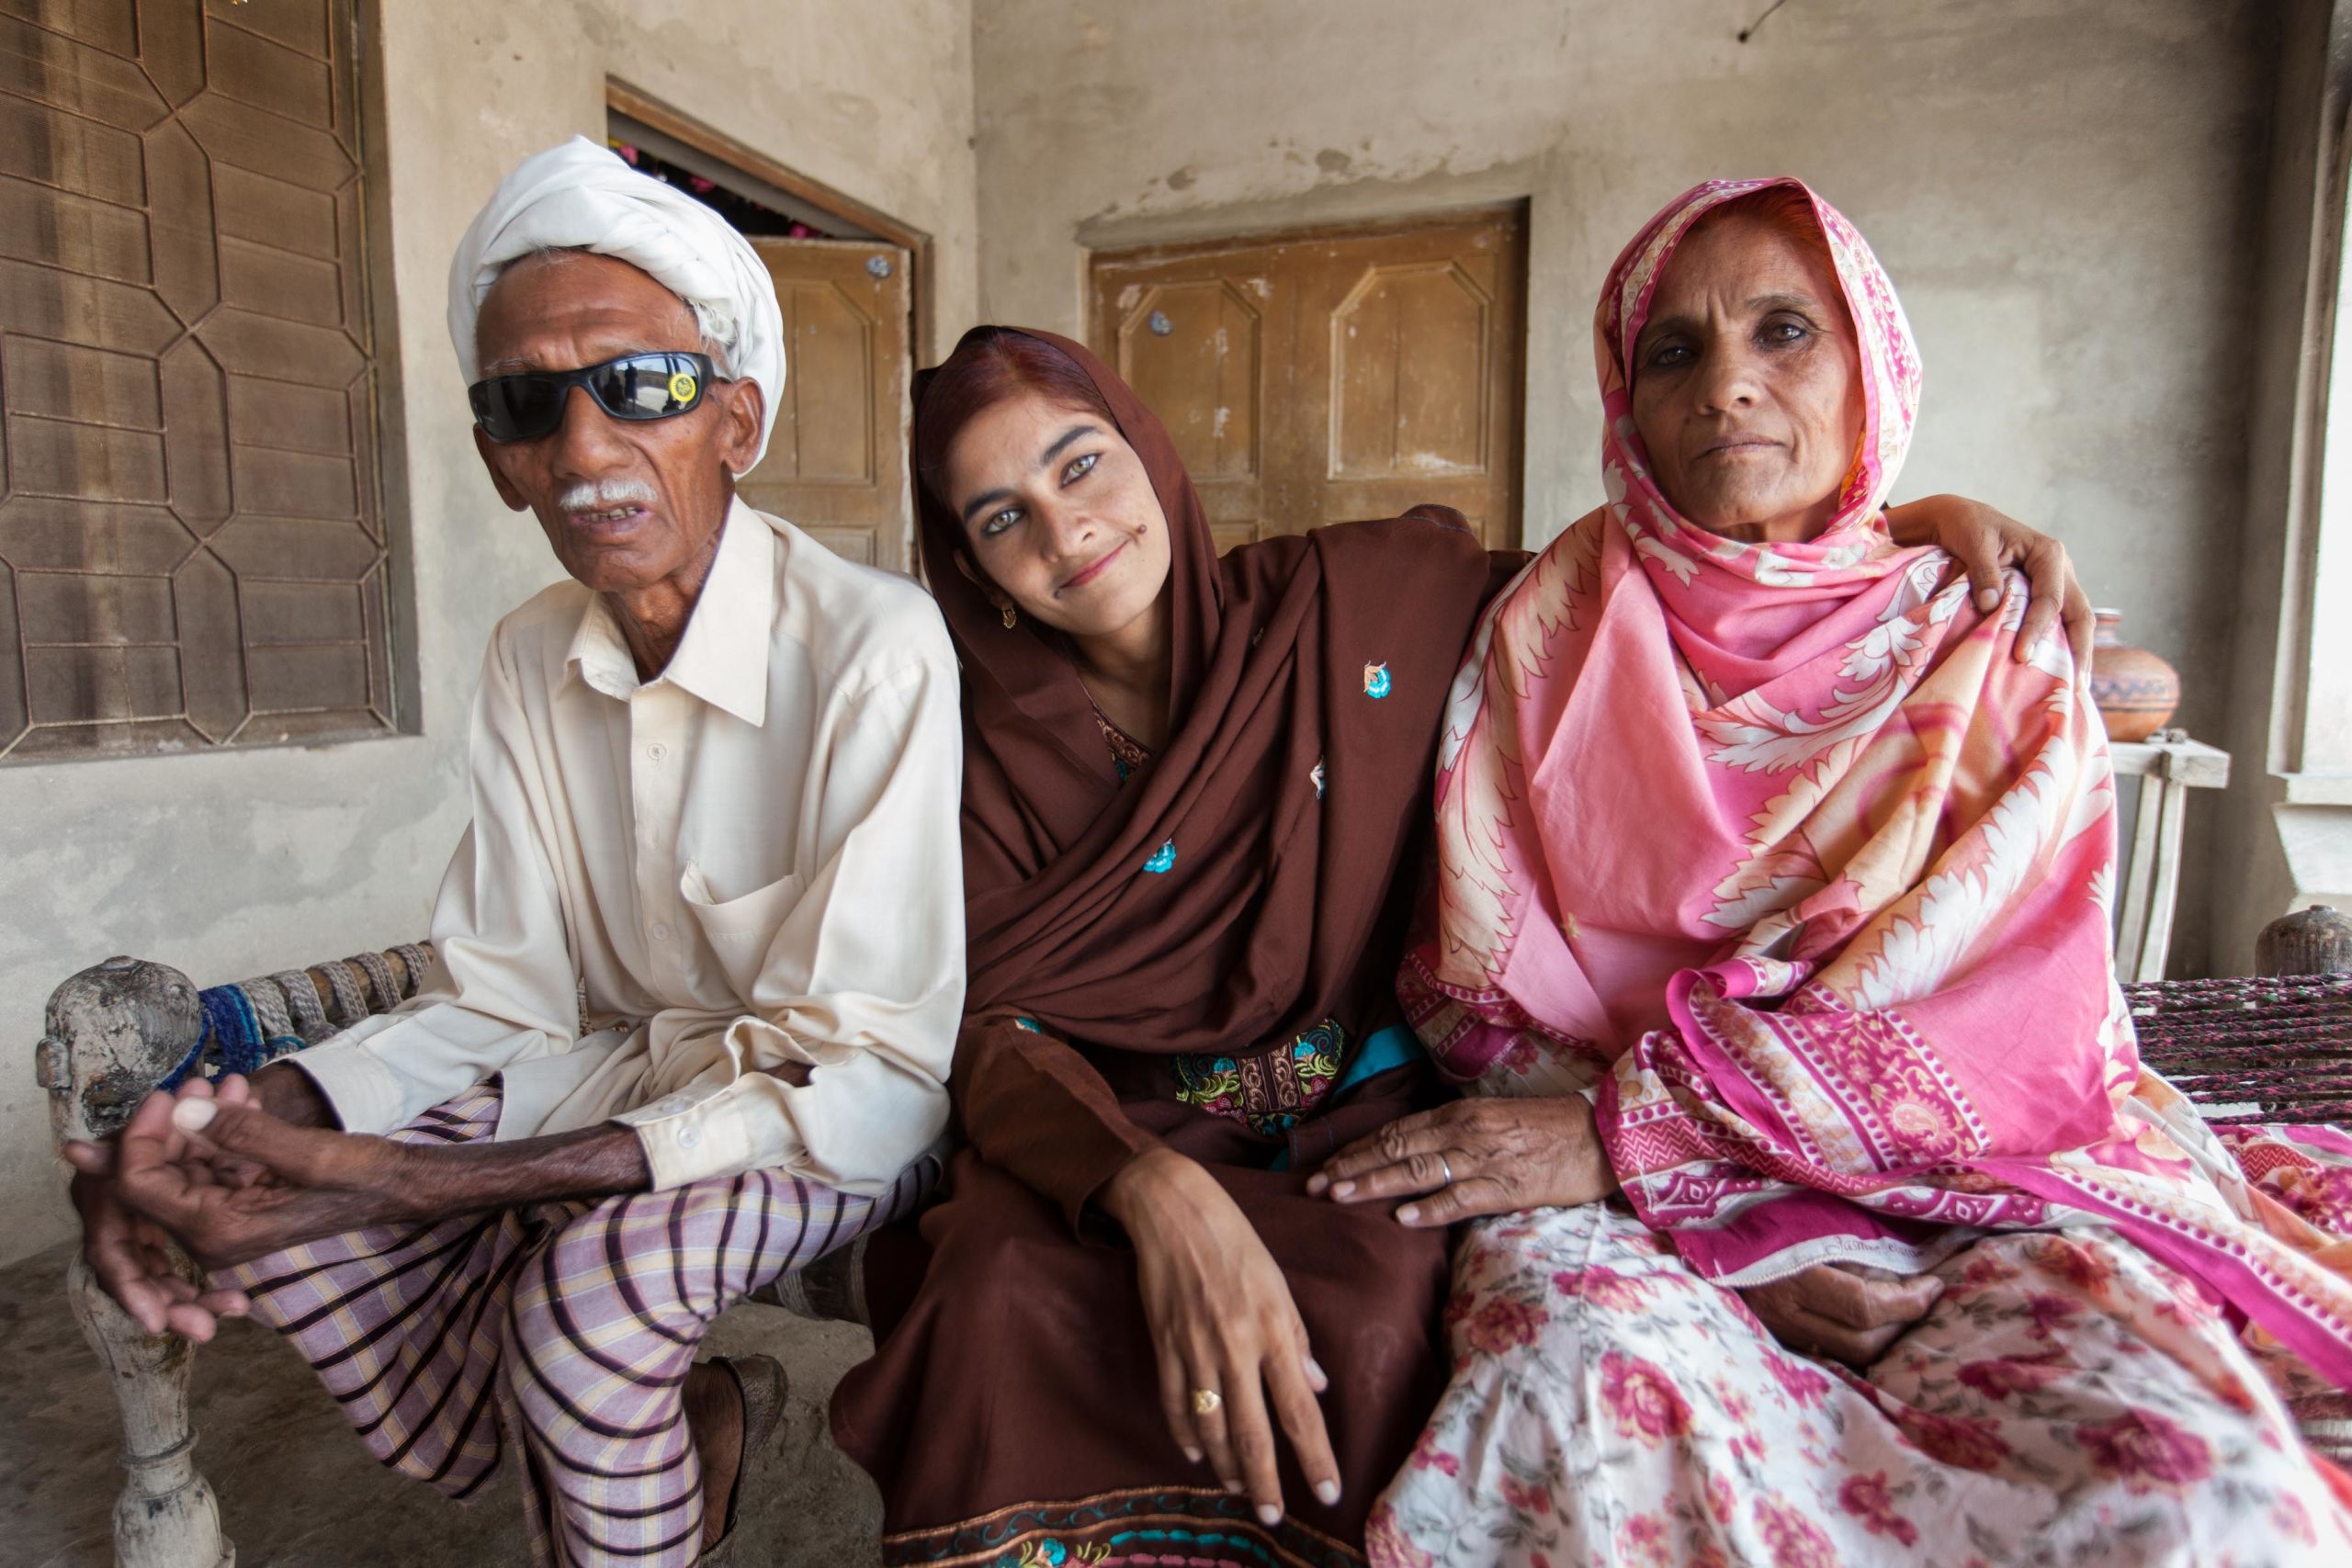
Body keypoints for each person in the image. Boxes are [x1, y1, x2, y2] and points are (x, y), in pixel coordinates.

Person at [830, 324, 2090, 1566]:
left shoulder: (1350, 609)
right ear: (971, 567)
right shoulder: (963, 746)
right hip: (1110, 1132)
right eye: (1001, 518)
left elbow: (1648, 586)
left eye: (1078, 463)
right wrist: (1153, 1194)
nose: (1065, 530)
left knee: (1375, 1329)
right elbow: (982, 1025)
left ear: (1145, 451)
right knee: (986, 1313)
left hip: (1355, 1108)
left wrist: (1896, 528)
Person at [1323, 177, 2352, 1567]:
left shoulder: (1989, 639)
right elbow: (1486, 988)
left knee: (2193, 1487)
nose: (1728, 386)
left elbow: (2017, 1030)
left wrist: (1709, 1166)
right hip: (1618, 1187)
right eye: (1674, 352)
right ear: (1626, 404)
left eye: (1784, 332)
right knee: (1569, 1418)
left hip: (1961, 1186)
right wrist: (1701, 1206)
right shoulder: (1552, 626)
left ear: (1874, 366)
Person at [62, 137, 966, 1567]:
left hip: (835, 1118)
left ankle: (625, 1476)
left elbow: (862, 1065)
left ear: (734, 419)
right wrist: (263, 1111)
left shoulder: (874, 646)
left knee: (585, 1319)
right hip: (615, 1067)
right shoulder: (528, 654)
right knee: (302, 1229)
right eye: (530, 404)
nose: (587, 446)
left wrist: (434, 1183)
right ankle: (681, 1443)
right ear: (497, 461)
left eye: (640, 387)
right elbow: (504, 992)